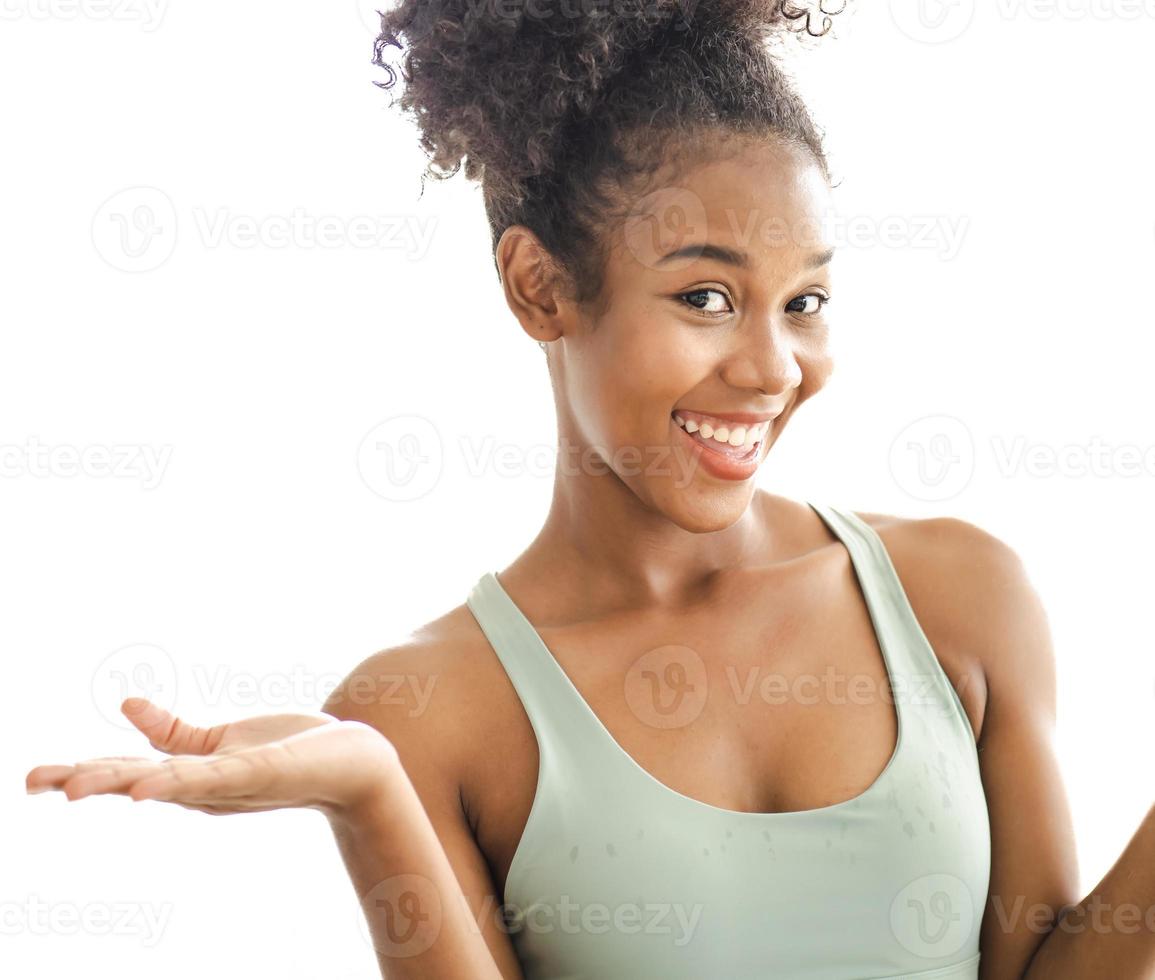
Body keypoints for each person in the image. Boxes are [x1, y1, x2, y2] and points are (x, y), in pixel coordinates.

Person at [25, 2, 1155, 978]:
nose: (771, 367)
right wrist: (372, 797)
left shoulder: (959, 596)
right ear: (538, 287)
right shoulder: (436, 709)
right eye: (708, 296)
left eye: (805, 300)